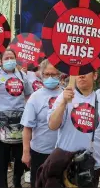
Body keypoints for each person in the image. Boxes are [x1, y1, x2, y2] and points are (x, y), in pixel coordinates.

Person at [47, 71, 100, 187]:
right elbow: (52, 125)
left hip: (92, 167)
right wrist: (63, 103)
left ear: (95, 76)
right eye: (78, 72)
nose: (81, 75)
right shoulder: (65, 97)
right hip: (66, 165)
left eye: (85, 72)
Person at [0, 49, 33, 188]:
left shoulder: (21, 74)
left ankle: (17, 181)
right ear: (1, 61)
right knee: (1, 160)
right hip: (0, 123)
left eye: (12, 57)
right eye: (6, 58)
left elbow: (29, 95)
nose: (10, 60)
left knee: (20, 157)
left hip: (20, 123)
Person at [21, 59, 63, 188]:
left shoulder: (66, 94)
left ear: (59, 75)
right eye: (47, 74)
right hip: (40, 151)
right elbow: (27, 128)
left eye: (54, 74)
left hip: (62, 153)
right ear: (41, 75)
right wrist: (26, 152)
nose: (50, 77)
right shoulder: (35, 97)